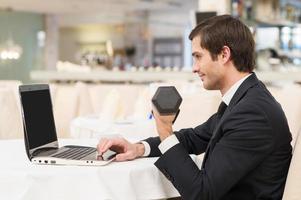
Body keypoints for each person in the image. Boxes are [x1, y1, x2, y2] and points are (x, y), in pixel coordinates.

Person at [97, 15, 292, 200]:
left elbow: (201, 193)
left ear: (224, 54)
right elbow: (194, 138)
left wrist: (165, 130)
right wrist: (139, 148)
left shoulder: (252, 113)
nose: (194, 68)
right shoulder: (245, 99)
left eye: (198, 57)